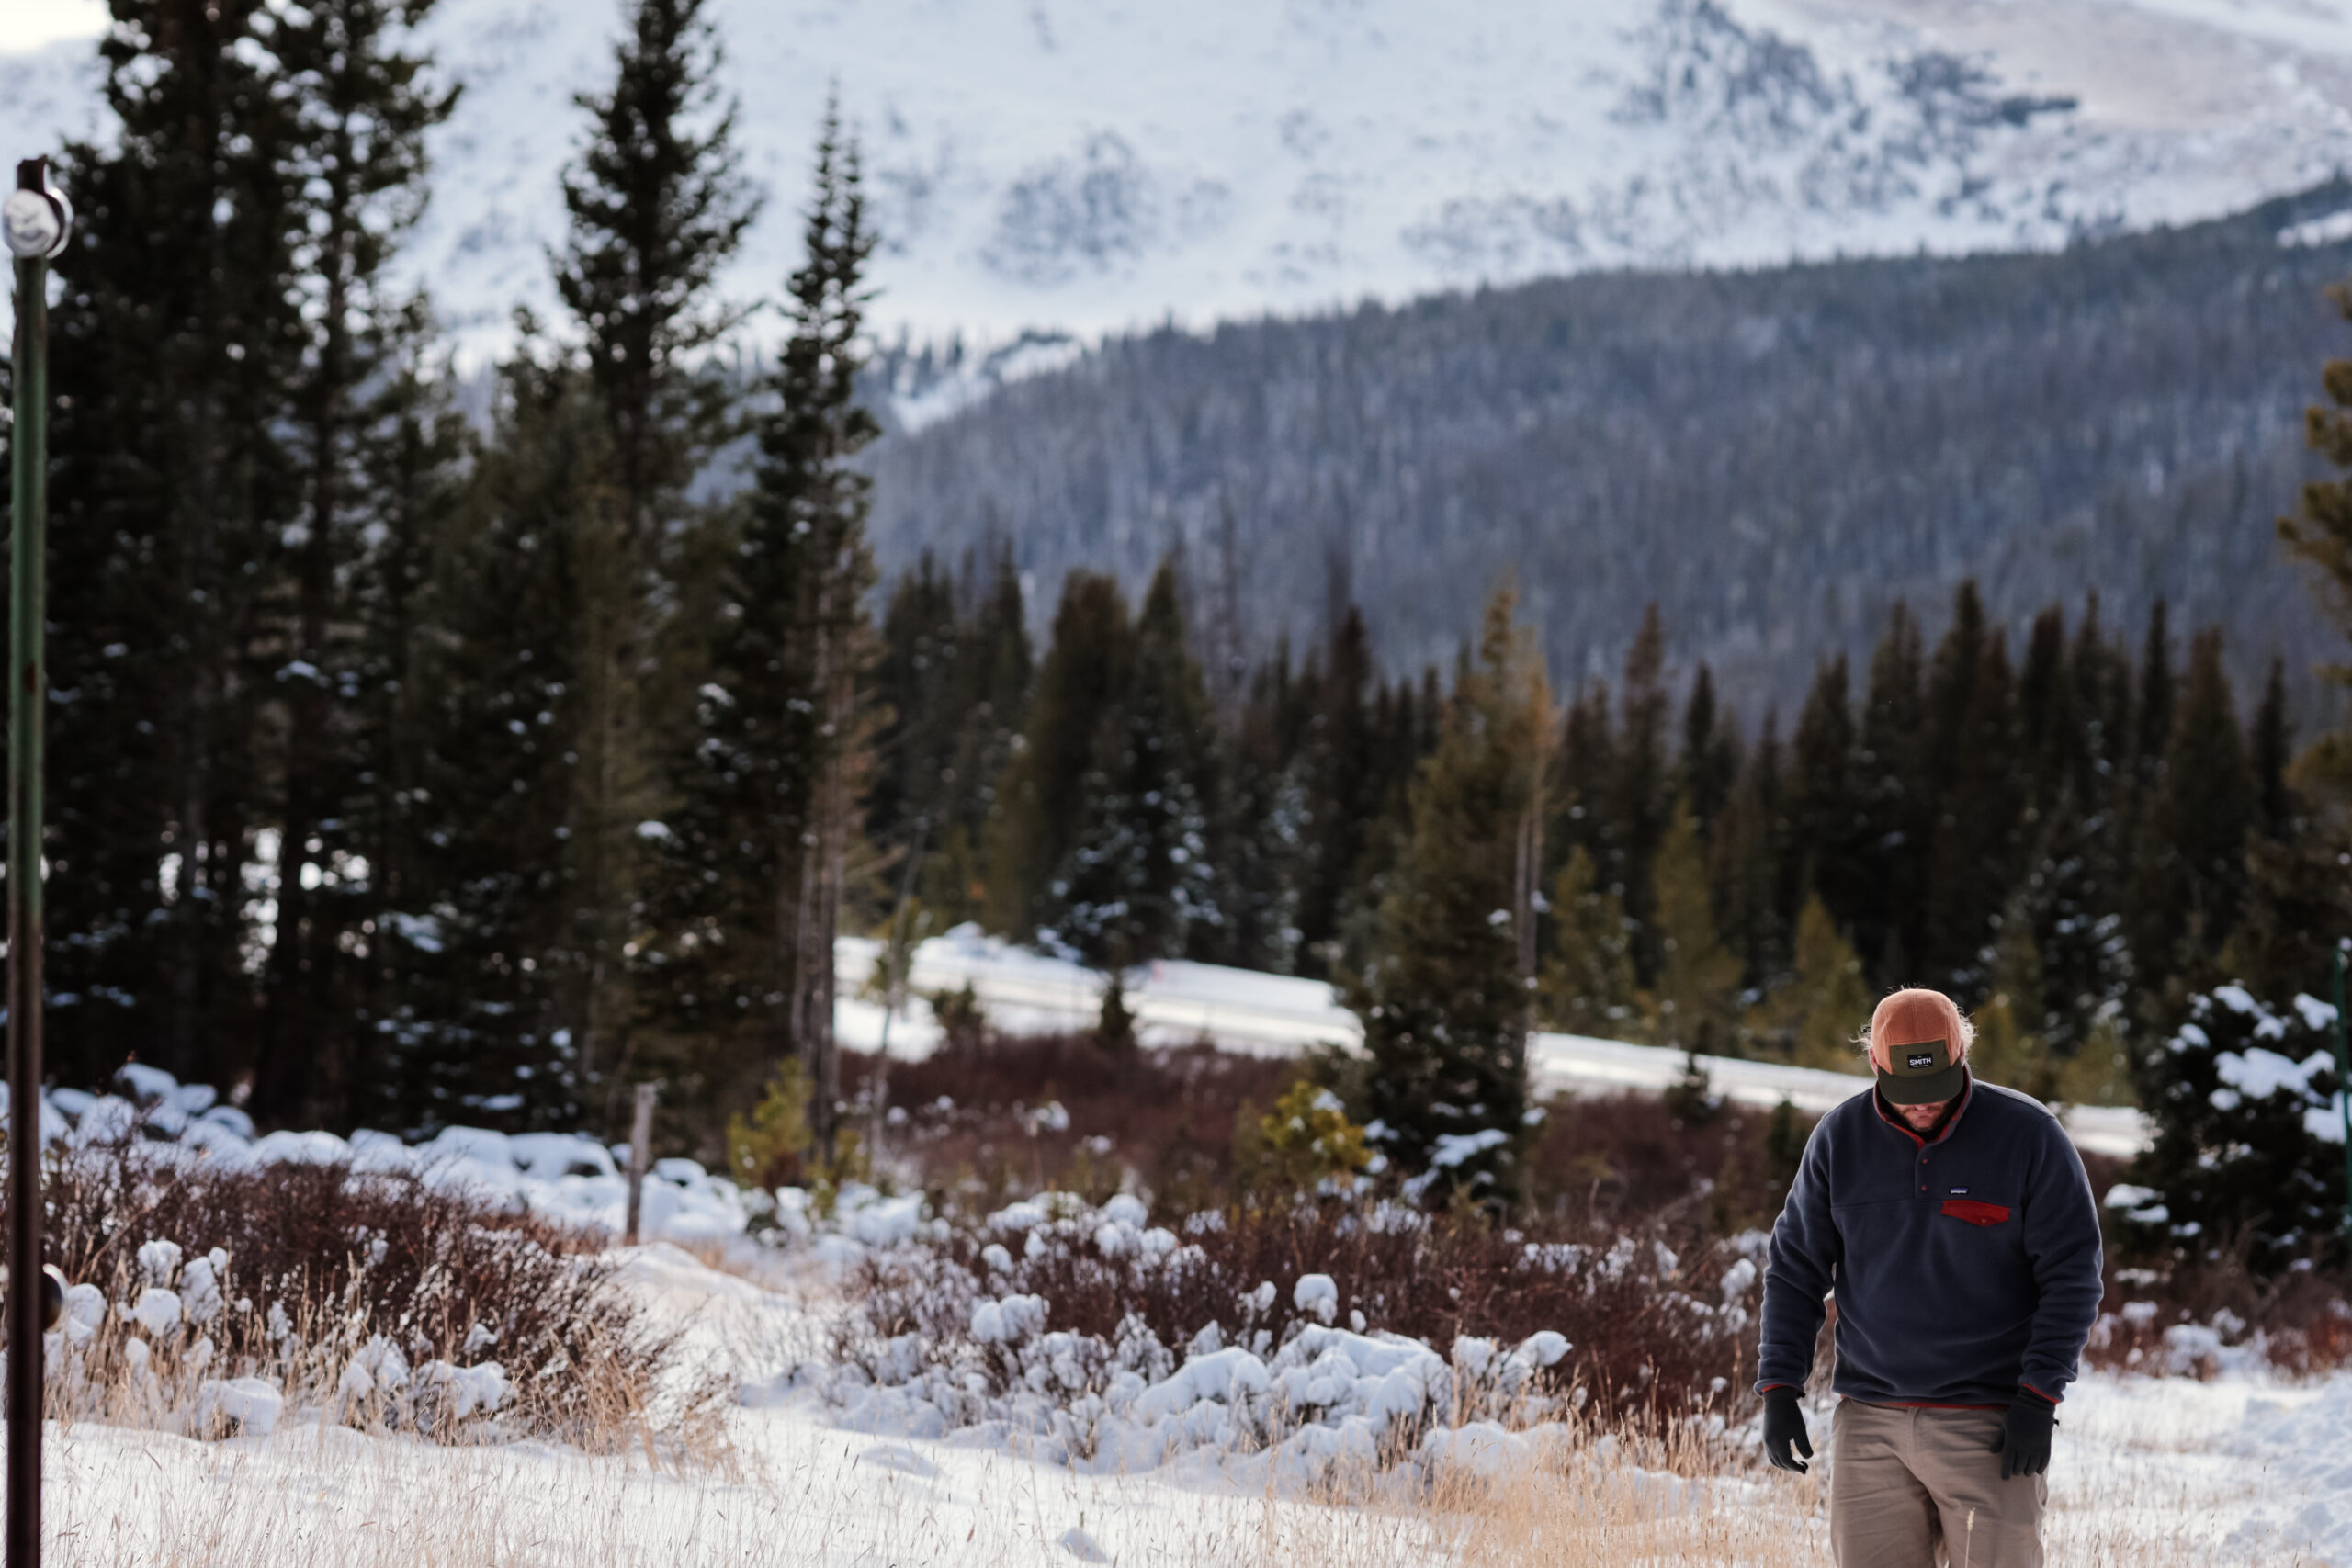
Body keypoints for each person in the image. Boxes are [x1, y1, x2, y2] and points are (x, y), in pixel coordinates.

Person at [1754, 987, 2104, 1568]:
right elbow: (1794, 1270)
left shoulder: (2029, 1136)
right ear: (1876, 1063)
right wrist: (1780, 1389)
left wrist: (2039, 1397)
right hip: (1870, 1425)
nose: (1922, 1105)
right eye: (1906, 1091)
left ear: (1961, 1052)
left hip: (1989, 1426)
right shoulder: (1839, 1140)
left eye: (1934, 1088)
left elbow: (2073, 1278)